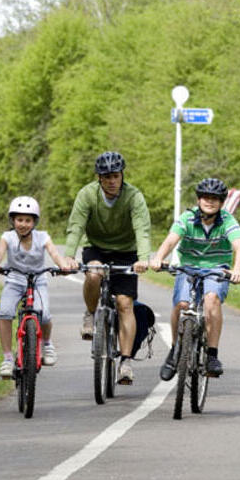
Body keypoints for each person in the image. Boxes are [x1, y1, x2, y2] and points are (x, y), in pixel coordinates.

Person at [64, 151, 151, 385]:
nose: (112, 181)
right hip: (96, 247)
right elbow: (76, 226)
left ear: (122, 175)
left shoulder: (134, 196)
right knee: (93, 274)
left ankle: (125, 362)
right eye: (106, 177)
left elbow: (142, 229)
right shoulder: (87, 195)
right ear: (99, 178)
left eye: (116, 176)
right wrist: (69, 257)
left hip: (126, 251)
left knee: (125, 303)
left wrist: (143, 258)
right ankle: (91, 315)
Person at [149, 177, 240, 380]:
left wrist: (237, 269)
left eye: (214, 198)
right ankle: (175, 352)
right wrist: (158, 258)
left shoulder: (227, 220)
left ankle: (212, 355)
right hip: (188, 267)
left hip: (216, 269)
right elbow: (170, 241)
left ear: (221, 202)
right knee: (182, 304)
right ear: (198, 199)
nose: (209, 202)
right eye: (205, 197)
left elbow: (239, 246)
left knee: (212, 300)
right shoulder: (187, 218)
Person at [0, 196, 75, 379]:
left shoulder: (43, 237)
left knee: (44, 313)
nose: (23, 224)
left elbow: (54, 254)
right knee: (5, 313)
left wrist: (62, 265)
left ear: (34, 221)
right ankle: (7, 359)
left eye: (28, 220)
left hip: (37, 281)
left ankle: (47, 345)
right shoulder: (8, 237)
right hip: (14, 280)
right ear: (13, 220)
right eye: (19, 220)